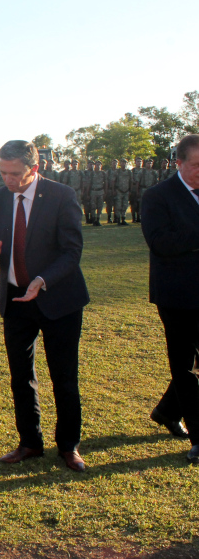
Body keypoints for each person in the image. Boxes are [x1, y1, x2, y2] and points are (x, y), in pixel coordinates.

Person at [0, 140, 90, 472]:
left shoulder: (61, 196)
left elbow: (72, 251)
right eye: (3, 172)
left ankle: (68, 446)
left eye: (15, 174)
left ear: (35, 168)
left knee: (64, 376)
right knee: (20, 377)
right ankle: (29, 442)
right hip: (16, 301)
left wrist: (42, 280)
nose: (8, 180)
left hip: (58, 300)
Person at [140, 134, 199, 464]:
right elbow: (161, 242)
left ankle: (166, 410)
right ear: (178, 163)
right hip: (177, 294)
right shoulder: (158, 196)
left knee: (192, 363)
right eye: (196, 166)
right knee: (185, 364)